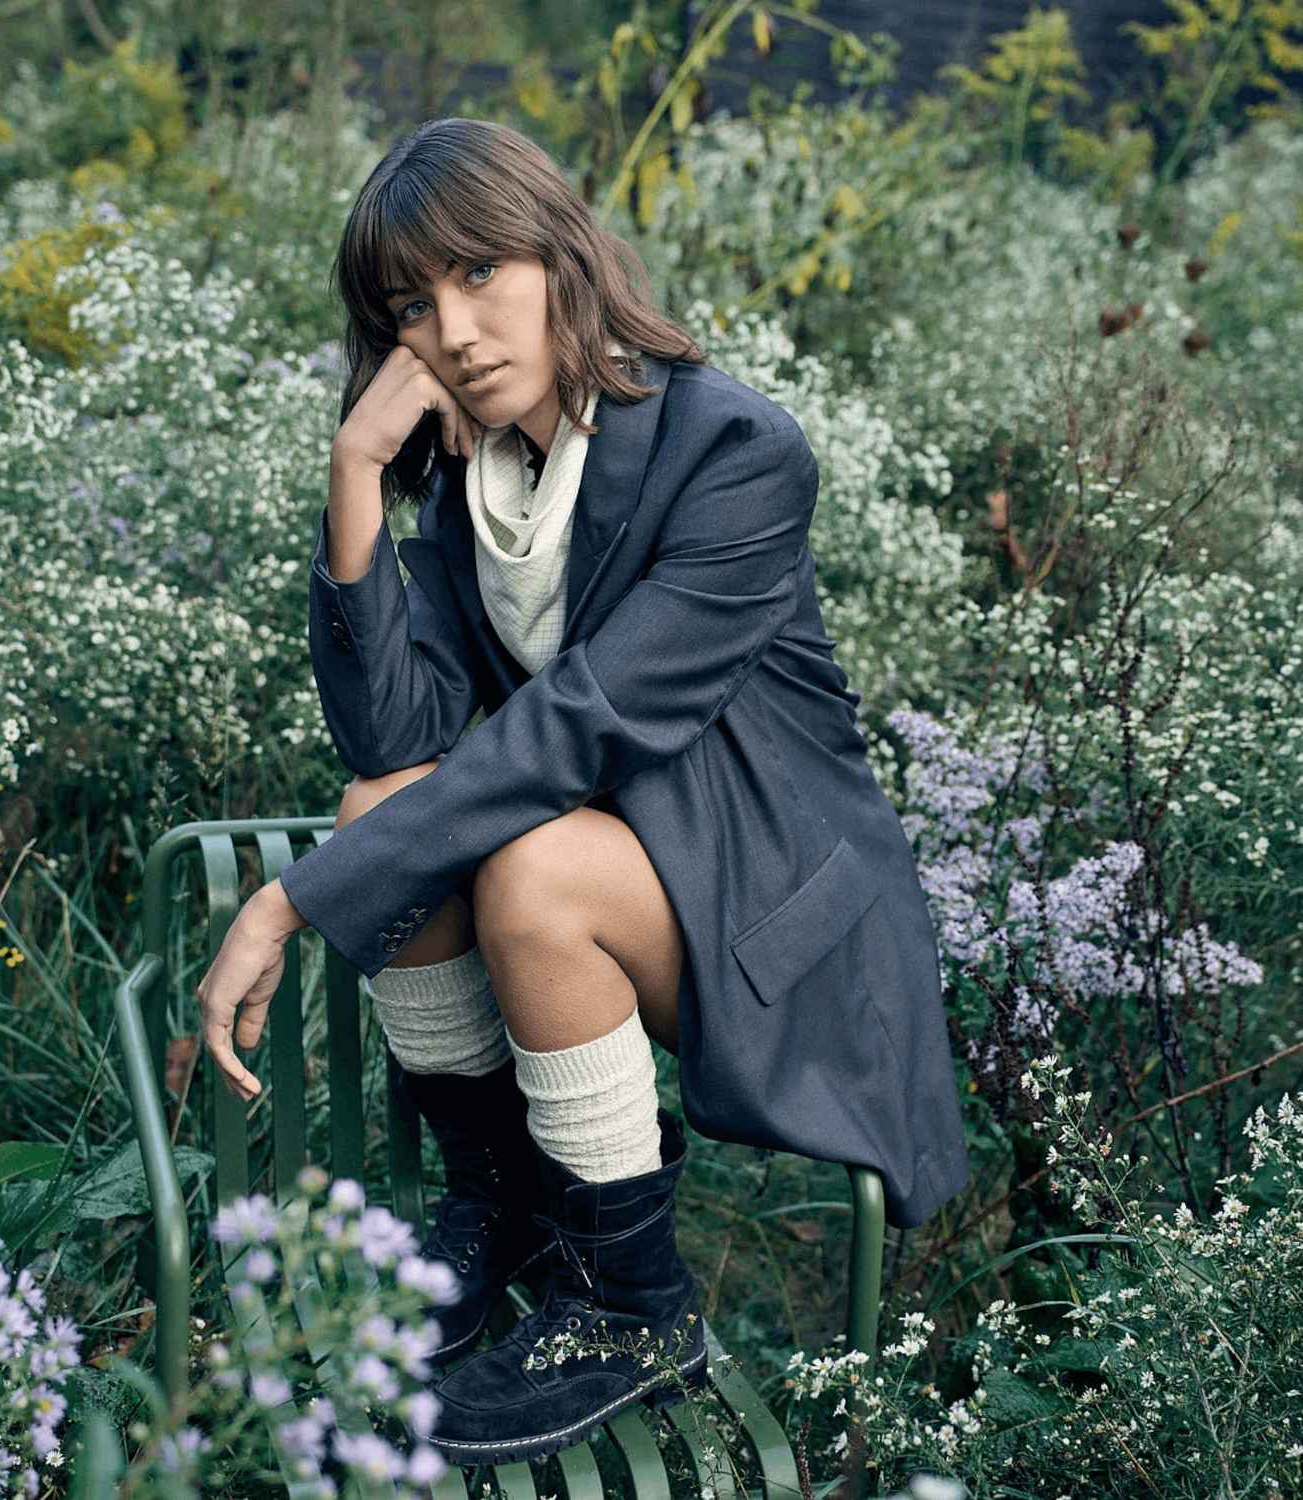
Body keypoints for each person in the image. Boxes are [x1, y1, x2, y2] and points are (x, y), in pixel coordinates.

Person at [196, 117, 970, 1467]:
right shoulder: (470, 480)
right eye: (410, 309)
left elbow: (581, 729)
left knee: (528, 865)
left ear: (563, 256)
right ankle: (501, 1201)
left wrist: (288, 907)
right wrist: (357, 472)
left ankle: (629, 1304)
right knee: (382, 815)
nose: (456, 331)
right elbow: (394, 737)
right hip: (635, 872)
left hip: (772, 912)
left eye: (481, 272)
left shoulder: (735, 451)